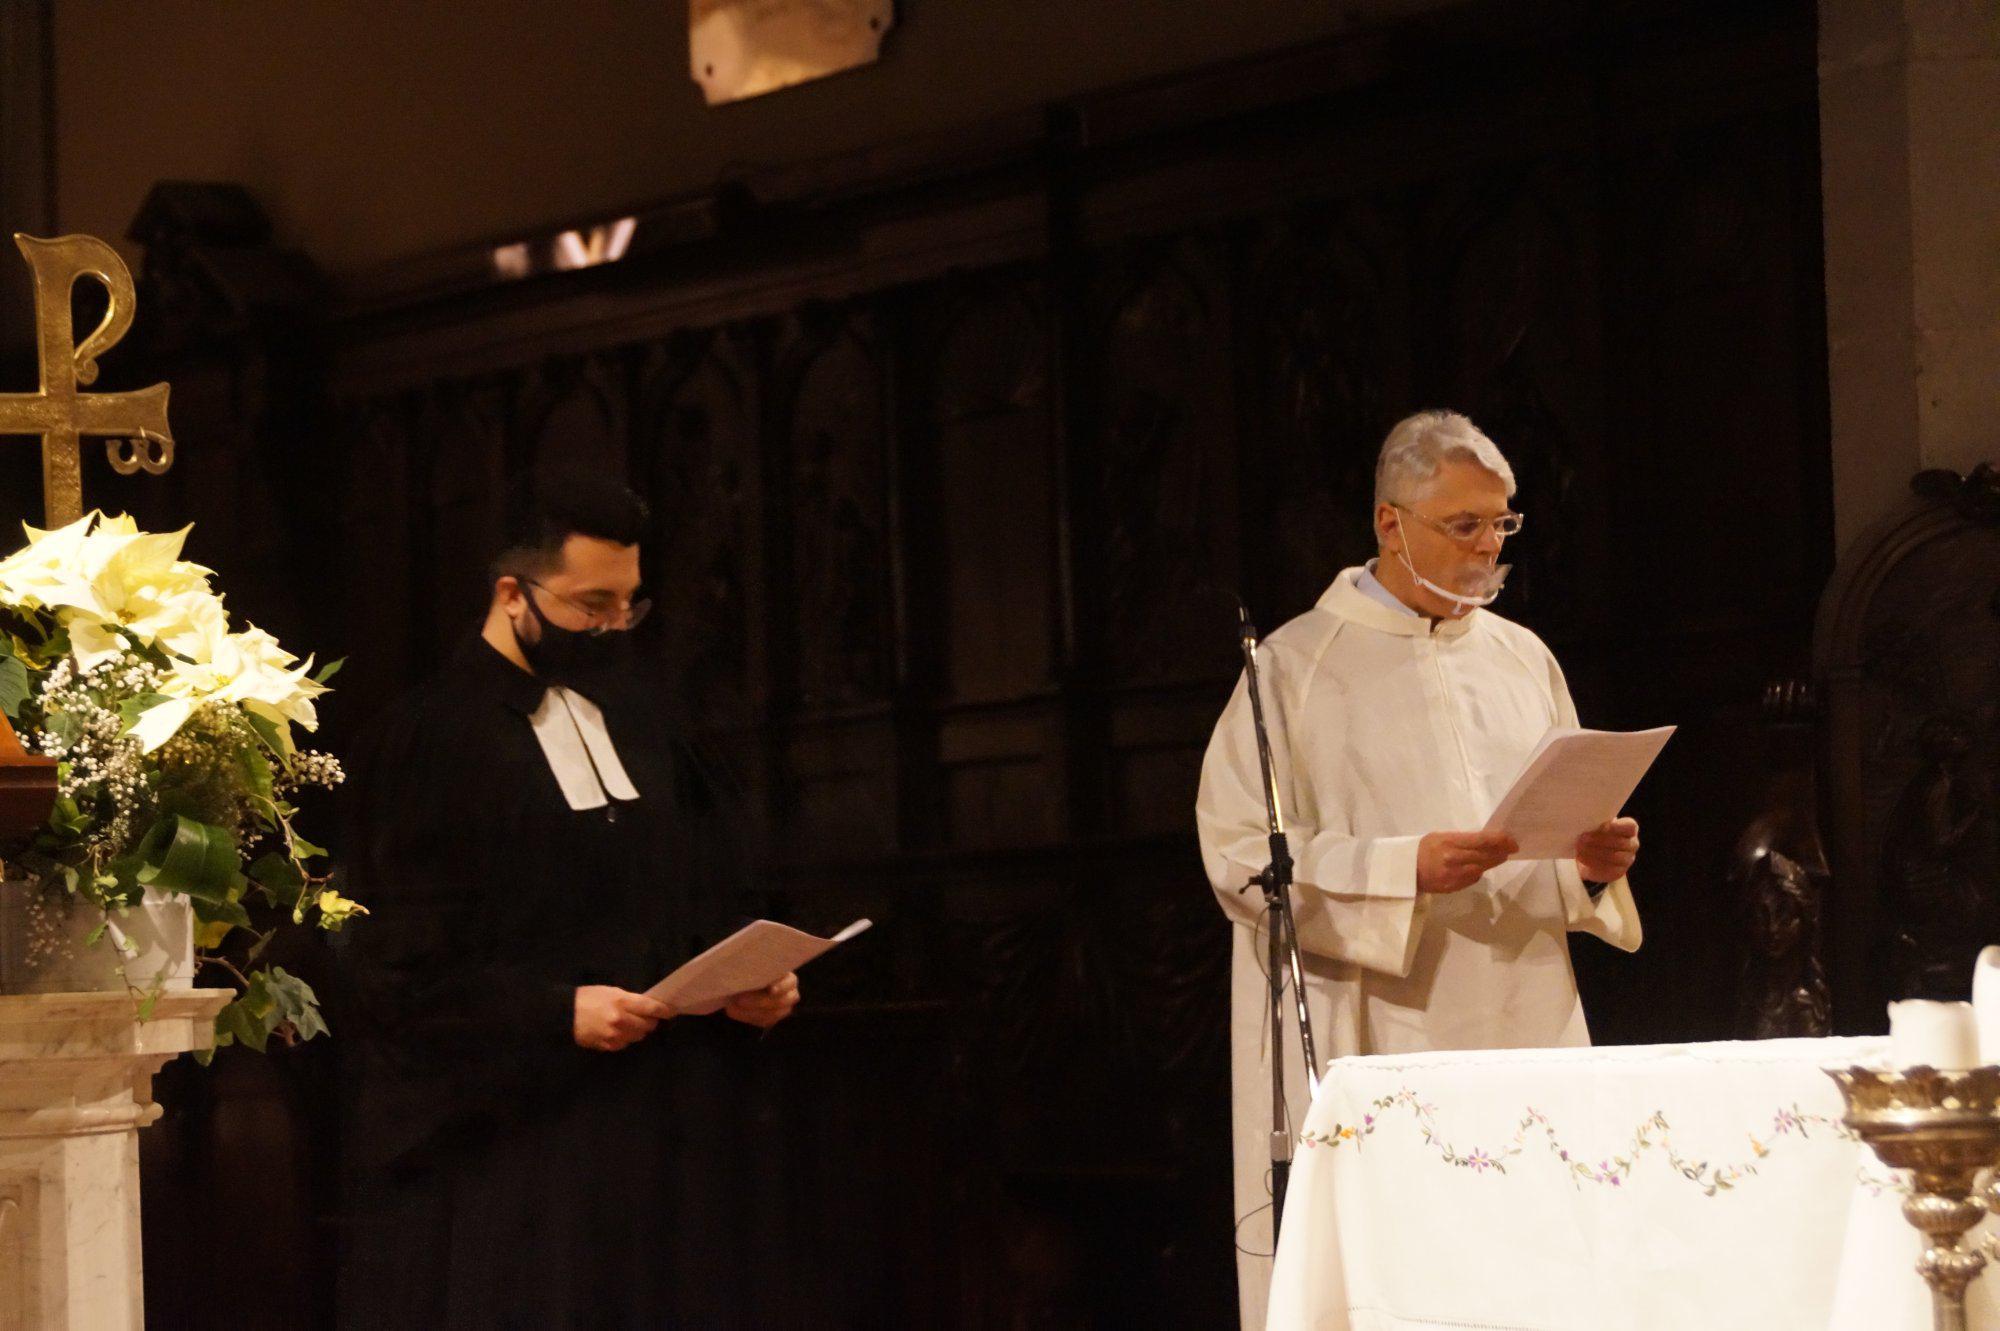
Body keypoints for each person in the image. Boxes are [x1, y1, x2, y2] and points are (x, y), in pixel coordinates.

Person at [1196, 411, 1643, 1330]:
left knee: (1540, 1274)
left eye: (1502, 522)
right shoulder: (1292, 668)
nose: (1488, 545)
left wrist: (1588, 867)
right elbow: (1240, 858)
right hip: (1380, 1022)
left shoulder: (1523, 658)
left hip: (1525, 1011)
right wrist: (1406, 869)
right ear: (1390, 524)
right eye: (1465, 524)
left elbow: (1543, 845)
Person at [336, 466, 799, 1330]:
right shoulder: (427, 739)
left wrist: (745, 979)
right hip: (515, 1140)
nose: (613, 627)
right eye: (592, 605)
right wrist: (554, 1012)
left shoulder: (639, 715)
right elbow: (394, 968)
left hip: (660, 1121)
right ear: (513, 593)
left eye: (628, 605)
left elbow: (693, 881)